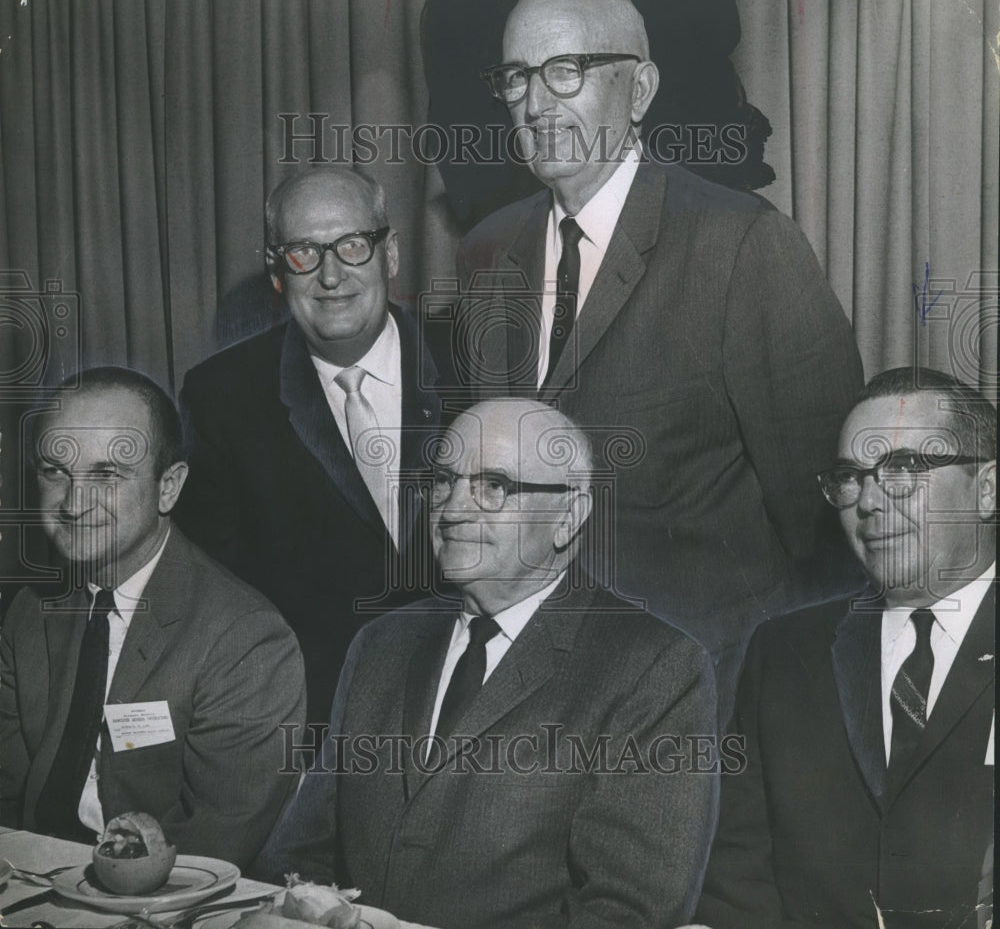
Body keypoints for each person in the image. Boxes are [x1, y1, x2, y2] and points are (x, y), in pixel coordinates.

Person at [455, 0, 865, 713]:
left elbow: (827, 521)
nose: (537, 102)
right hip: (538, 702)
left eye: (566, 70)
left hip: (708, 700)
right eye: (516, 77)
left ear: (639, 90)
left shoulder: (742, 245)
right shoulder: (487, 251)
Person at [253, 399, 719, 928]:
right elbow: (298, 859)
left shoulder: (654, 669)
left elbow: (626, 912)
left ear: (567, 517)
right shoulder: (381, 644)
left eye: (493, 486)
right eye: (444, 481)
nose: (453, 509)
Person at [693, 367, 996, 928]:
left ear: (987, 489)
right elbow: (739, 881)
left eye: (904, 468)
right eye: (850, 478)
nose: (870, 501)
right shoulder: (784, 651)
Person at [0, 367, 305, 868]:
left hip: (160, 896)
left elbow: (212, 852)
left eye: (106, 475)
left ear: (169, 487)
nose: (73, 503)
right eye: (55, 471)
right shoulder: (29, 611)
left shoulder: (247, 639)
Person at [175, 167, 442, 735]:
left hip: (477, 709)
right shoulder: (221, 397)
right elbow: (217, 597)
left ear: (391, 254)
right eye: (303, 253)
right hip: (316, 725)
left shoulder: (479, 359)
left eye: (353, 245)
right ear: (277, 272)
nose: (331, 275)